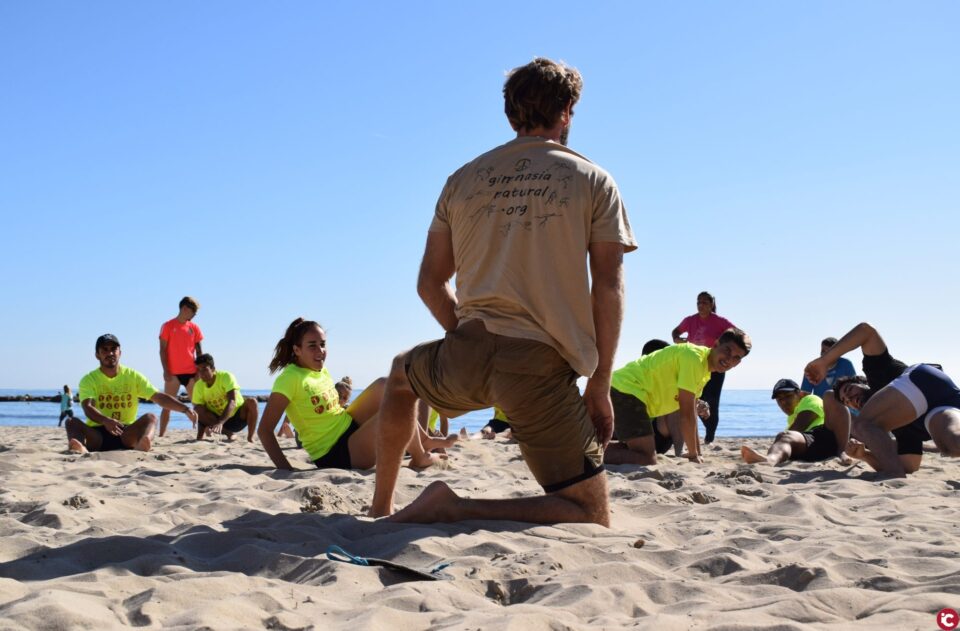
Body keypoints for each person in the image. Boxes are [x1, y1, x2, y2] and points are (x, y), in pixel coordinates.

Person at [370, 58, 637, 525]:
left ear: (510, 115)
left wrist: (462, 332)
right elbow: (608, 287)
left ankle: (381, 506)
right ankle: (455, 507)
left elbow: (429, 283)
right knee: (591, 512)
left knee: (399, 375)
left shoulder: (463, 179)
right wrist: (599, 383)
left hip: (465, 356)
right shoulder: (594, 179)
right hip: (539, 366)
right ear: (568, 110)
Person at [257, 318, 448, 471]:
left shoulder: (319, 370)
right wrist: (286, 469)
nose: (320, 351)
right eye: (312, 346)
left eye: (323, 344)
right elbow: (265, 430)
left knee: (386, 385)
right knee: (393, 412)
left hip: (347, 426)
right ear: (297, 350)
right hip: (335, 452)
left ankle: (422, 439)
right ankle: (420, 457)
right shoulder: (289, 379)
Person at [804, 322, 960, 477]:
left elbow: (866, 331)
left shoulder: (878, 374)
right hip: (946, 403)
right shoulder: (899, 427)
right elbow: (909, 465)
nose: (851, 399)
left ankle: (893, 475)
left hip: (922, 379)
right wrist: (864, 455)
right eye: (846, 402)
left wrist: (825, 360)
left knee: (861, 424)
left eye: (850, 390)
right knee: (951, 444)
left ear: (864, 382)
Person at [606, 328, 751, 466]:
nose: (729, 359)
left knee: (640, 452)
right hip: (627, 390)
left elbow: (692, 412)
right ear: (716, 344)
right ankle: (587, 454)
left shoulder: (704, 369)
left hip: (628, 391)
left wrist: (698, 454)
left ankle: (591, 450)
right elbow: (686, 413)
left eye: (736, 357)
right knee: (646, 459)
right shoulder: (694, 359)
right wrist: (693, 455)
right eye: (727, 350)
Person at [66, 334, 198, 453]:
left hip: (126, 434)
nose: (110, 353)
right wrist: (106, 421)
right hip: (98, 434)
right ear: (97, 355)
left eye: (113, 349)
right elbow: (87, 407)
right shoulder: (89, 379)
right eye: (104, 350)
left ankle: (143, 443)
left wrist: (185, 409)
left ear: (120, 353)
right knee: (71, 421)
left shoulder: (133, 376)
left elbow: (158, 397)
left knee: (151, 417)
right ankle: (80, 448)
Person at [671, 292, 738, 444]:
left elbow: (738, 335)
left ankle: (709, 436)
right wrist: (677, 339)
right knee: (692, 400)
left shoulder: (720, 321)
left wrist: (726, 350)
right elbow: (675, 331)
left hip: (715, 367)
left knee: (712, 402)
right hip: (693, 365)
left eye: (705, 303)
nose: (701, 305)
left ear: (711, 304)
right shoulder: (690, 320)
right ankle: (692, 434)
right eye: (698, 302)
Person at [740, 379, 840, 466]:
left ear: (800, 394)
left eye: (788, 396)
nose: (783, 402)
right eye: (779, 399)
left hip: (822, 440)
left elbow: (799, 427)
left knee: (785, 436)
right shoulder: (793, 417)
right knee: (784, 438)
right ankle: (770, 459)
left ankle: (769, 460)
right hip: (811, 447)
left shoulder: (810, 399)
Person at [158, 296, 204, 437]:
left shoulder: (194, 327)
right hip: (173, 373)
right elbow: (162, 350)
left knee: (198, 405)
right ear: (184, 309)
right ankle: (161, 435)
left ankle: (203, 433)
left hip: (191, 373)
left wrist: (199, 371)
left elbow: (199, 351)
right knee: (167, 406)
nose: (194, 316)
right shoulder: (168, 326)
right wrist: (166, 371)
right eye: (193, 312)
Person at [191, 353, 259, 442]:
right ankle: (229, 434)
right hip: (217, 422)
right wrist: (199, 437)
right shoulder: (198, 386)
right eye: (199, 370)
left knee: (252, 402)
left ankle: (250, 437)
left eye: (204, 369)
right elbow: (200, 412)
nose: (201, 373)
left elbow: (232, 401)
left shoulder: (226, 376)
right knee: (197, 408)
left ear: (213, 369)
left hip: (238, 418)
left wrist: (221, 422)